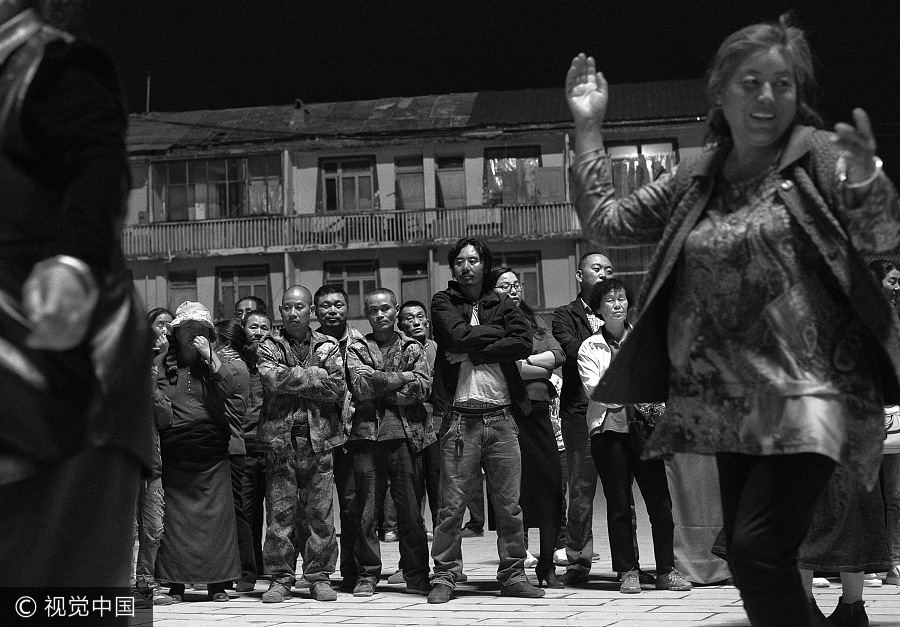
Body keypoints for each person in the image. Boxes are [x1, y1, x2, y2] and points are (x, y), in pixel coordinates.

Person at [566, 13, 900, 625]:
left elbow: (879, 237)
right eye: (751, 82)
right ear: (719, 91)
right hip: (724, 401)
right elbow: (608, 226)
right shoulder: (699, 176)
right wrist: (589, 127)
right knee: (754, 561)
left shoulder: (817, 156)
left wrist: (867, 180)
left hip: (811, 391)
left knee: (758, 550)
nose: (768, 97)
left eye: (783, 84)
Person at [0, 0, 153, 587]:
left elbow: (95, 169)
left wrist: (72, 264)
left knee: (63, 593)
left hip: (61, 373)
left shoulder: (56, 67)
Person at [427, 237, 545, 603]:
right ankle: (446, 575)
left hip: (502, 417)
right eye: (459, 261)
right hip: (460, 418)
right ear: (453, 268)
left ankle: (512, 575)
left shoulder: (504, 303)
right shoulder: (443, 302)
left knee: (509, 504)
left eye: (473, 260)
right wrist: (490, 339)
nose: (466, 266)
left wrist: (468, 353)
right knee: (452, 505)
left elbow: (523, 343)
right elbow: (455, 333)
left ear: (485, 265)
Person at [577, 278, 691, 594]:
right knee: (619, 505)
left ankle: (667, 570)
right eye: (610, 300)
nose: (617, 304)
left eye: (622, 299)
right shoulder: (589, 347)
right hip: (609, 432)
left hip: (648, 431)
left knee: (660, 502)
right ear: (599, 309)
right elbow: (595, 390)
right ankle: (627, 570)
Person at [257, 285, 346, 603]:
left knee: (320, 514)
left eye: (299, 307)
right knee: (280, 515)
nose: (292, 313)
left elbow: (336, 386)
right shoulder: (269, 344)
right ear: (279, 311)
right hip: (280, 442)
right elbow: (271, 380)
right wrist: (314, 375)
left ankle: (319, 576)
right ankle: (280, 578)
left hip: (319, 440)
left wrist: (293, 377)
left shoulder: (329, 344)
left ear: (311, 310)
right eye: (286, 307)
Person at [345, 287, 435, 596]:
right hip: (366, 438)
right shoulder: (357, 348)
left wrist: (381, 381)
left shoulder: (412, 346)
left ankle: (416, 573)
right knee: (366, 510)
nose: (380, 314)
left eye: (386, 308)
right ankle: (368, 573)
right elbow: (359, 387)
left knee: (410, 511)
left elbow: (423, 388)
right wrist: (402, 378)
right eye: (373, 310)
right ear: (366, 314)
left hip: (407, 437)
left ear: (396, 310)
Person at [551, 251, 630, 583]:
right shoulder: (564, 315)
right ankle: (578, 559)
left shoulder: (625, 319)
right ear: (580, 276)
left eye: (608, 269)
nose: (603, 273)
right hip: (580, 411)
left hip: (625, 412)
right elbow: (570, 351)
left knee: (623, 489)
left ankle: (630, 563)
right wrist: (605, 331)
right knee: (582, 488)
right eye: (596, 269)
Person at [155, 301, 241, 602]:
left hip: (212, 452)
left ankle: (217, 584)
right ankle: (175, 585)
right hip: (176, 452)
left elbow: (230, 388)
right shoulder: (164, 364)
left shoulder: (214, 362)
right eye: (187, 328)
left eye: (200, 329)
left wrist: (209, 355)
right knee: (176, 522)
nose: (193, 333)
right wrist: (160, 356)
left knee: (217, 520)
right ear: (175, 333)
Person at [487, 267, 566, 588]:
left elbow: (559, 354)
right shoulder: (492, 324)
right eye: (504, 285)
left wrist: (528, 364)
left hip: (540, 415)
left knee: (550, 487)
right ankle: (516, 566)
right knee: (513, 493)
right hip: (508, 413)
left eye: (516, 284)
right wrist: (538, 366)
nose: (513, 289)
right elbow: (509, 369)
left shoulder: (535, 321)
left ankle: (547, 565)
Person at [314, 283, 367, 591]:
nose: (332, 310)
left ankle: (352, 571)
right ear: (315, 311)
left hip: (353, 435)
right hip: (315, 435)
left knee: (351, 505)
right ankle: (316, 573)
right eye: (325, 306)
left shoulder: (361, 342)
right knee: (316, 509)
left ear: (348, 308)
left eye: (338, 304)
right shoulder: (310, 343)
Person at [133, 308, 177, 606]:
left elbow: (164, 418)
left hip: (153, 462)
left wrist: (158, 364)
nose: (163, 330)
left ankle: (145, 586)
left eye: (167, 326)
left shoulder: (168, 367)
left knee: (153, 528)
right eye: (158, 324)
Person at [214, 318, 257, 593]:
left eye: (213, 340)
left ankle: (247, 572)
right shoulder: (231, 364)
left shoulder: (233, 368)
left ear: (226, 343)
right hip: (227, 448)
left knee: (235, 513)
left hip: (231, 448)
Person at [870, 260, 900, 587]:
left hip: (893, 414)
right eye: (892, 280)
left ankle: (892, 562)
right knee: (869, 491)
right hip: (867, 414)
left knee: (894, 493)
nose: (897, 287)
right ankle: (872, 564)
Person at [241, 310, 273, 585]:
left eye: (264, 327)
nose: (259, 332)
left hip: (274, 448)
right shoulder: (234, 364)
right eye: (253, 327)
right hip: (244, 450)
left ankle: (276, 570)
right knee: (247, 514)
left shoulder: (274, 363)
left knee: (279, 514)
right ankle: (248, 571)